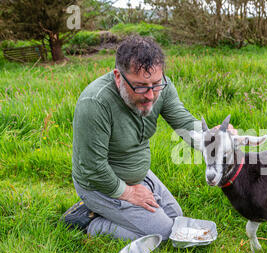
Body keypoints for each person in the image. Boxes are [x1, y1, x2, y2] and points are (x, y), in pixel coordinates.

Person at [62, 36, 234, 241]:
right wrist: (127, 192)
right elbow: (93, 168)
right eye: (141, 87)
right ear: (118, 76)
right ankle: (92, 223)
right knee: (162, 234)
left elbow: (184, 123)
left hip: (137, 175)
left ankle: (110, 211)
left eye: (156, 84)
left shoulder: (161, 88)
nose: (151, 95)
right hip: (99, 184)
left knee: (176, 219)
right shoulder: (95, 104)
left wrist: (212, 137)